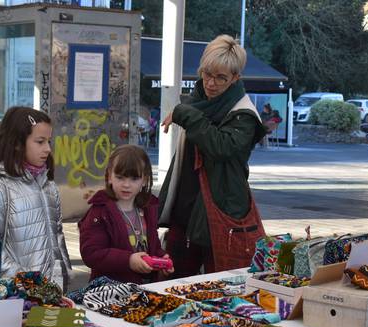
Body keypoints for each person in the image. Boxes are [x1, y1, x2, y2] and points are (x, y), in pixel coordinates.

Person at [158, 34, 267, 278]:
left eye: (221, 78)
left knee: (221, 286)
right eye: (207, 73)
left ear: (235, 78)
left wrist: (184, 113)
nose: (211, 83)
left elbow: (221, 147)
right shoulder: (196, 102)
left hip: (221, 213)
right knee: (171, 283)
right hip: (185, 210)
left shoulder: (244, 115)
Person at [0, 106, 72, 291]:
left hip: (50, 292)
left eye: (49, 141)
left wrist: (63, 274)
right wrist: (27, 283)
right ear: (17, 142)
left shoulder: (48, 185)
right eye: (40, 141)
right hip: (13, 296)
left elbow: (57, 235)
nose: (48, 149)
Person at [78, 144, 172, 284]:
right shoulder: (99, 211)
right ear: (110, 177)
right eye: (120, 177)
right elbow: (91, 254)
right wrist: (128, 260)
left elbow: (151, 245)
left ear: (144, 180)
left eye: (134, 179)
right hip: (110, 291)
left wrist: (160, 257)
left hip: (144, 289)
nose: (126, 185)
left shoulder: (147, 208)